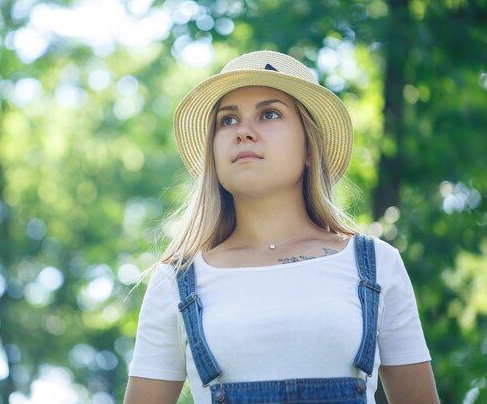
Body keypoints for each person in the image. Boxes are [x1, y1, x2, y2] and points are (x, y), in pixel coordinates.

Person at [123, 51, 439, 404]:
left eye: (269, 114)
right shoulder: (176, 281)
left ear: (309, 147)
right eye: (227, 121)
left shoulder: (376, 263)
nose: (243, 132)